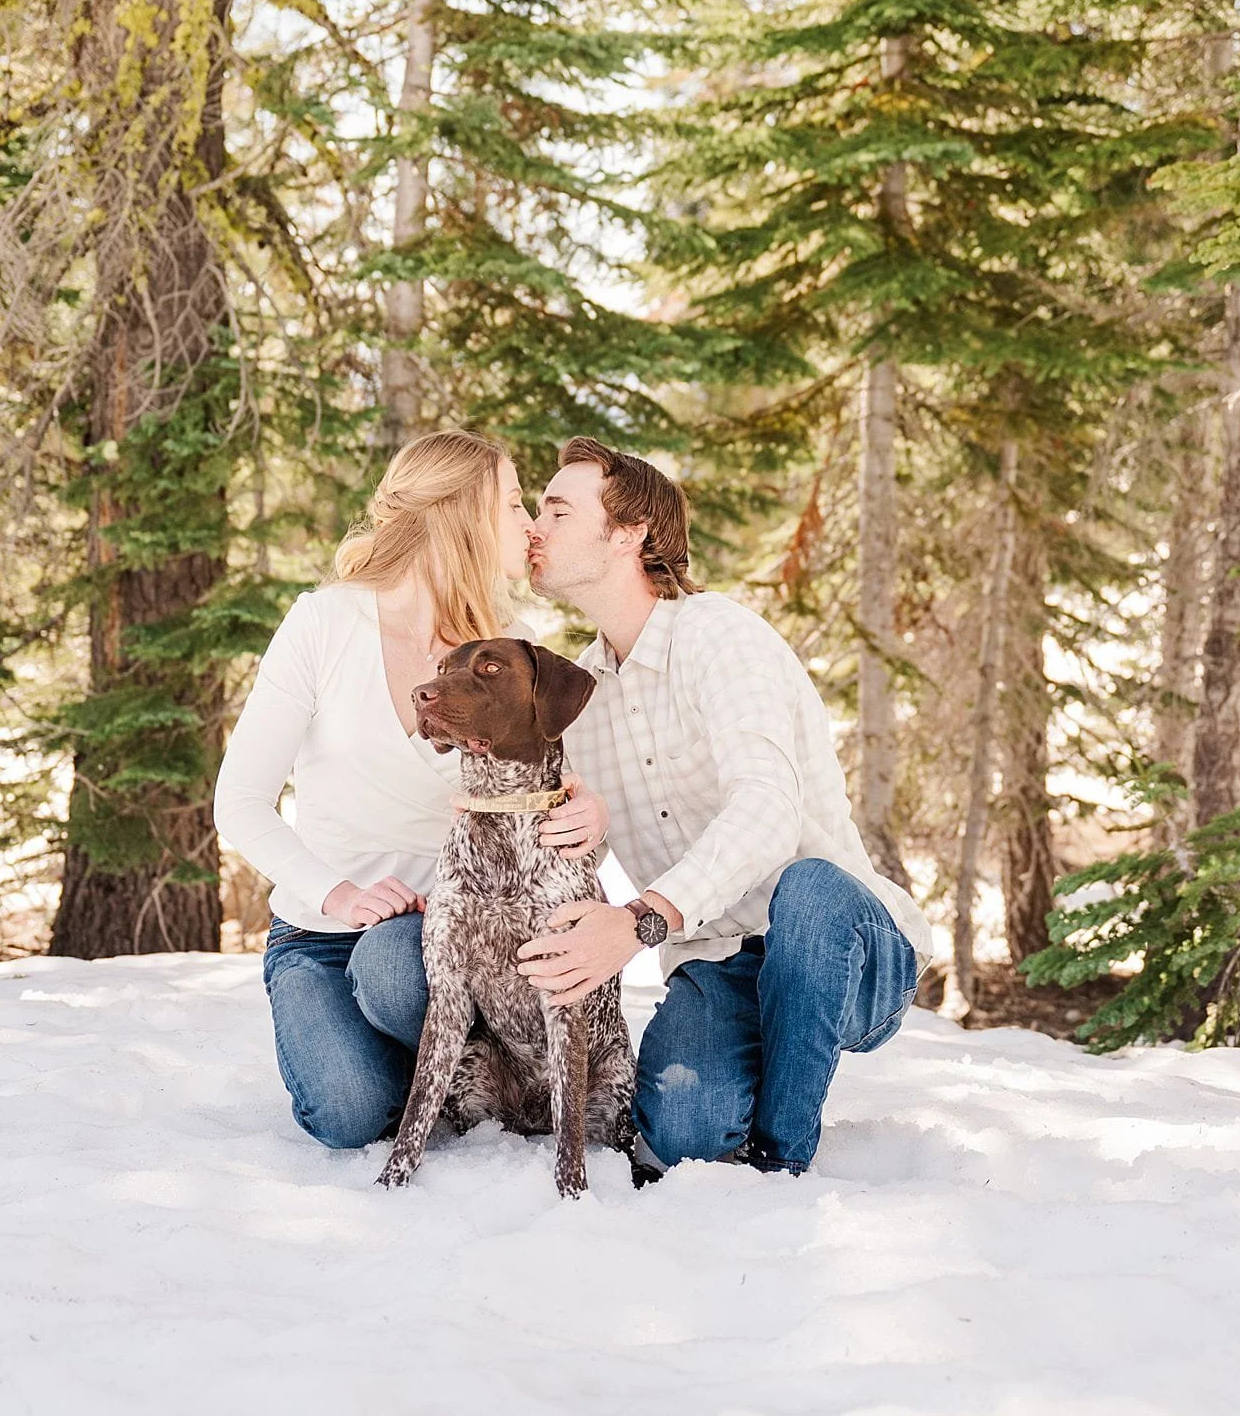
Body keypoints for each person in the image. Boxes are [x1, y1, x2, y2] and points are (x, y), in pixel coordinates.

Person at [519, 437, 931, 1176]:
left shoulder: (720, 636)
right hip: (718, 958)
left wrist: (641, 918)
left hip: (839, 942)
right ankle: (755, 1075)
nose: (533, 527)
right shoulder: (579, 693)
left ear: (628, 533)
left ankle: (781, 1160)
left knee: (806, 889)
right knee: (682, 1132)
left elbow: (768, 809)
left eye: (555, 509)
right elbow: (558, 836)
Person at [213, 431, 601, 1149]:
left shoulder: (506, 647)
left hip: (435, 943)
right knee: (348, 1112)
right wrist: (341, 894)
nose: (528, 523)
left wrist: (587, 811)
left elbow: (555, 796)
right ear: (458, 514)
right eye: (513, 503)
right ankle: (405, 1067)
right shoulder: (325, 623)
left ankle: (437, 1061)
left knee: (393, 968)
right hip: (318, 935)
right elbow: (237, 802)